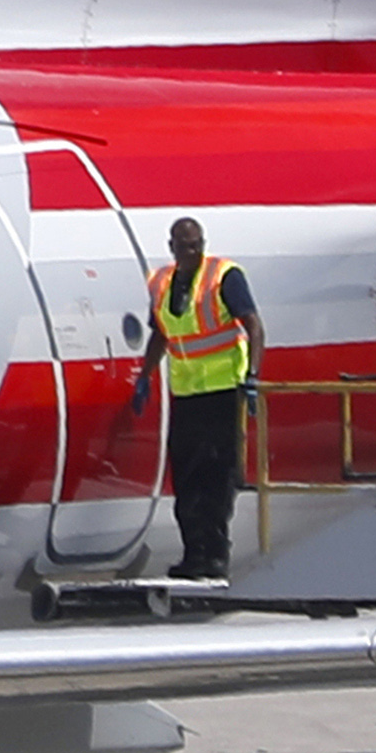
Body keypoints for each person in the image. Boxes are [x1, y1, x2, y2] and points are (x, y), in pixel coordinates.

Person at [125, 214, 261, 581]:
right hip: (186, 394)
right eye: (185, 246)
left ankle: (215, 556)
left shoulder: (223, 277)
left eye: (197, 244)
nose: (193, 252)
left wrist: (252, 376)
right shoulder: (163, 283)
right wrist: (146, 375)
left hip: (221, 392)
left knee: (217, 478)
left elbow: (253, 325)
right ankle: (193, 555)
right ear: (172, 248)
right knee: (186, 479)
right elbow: (161, 333)